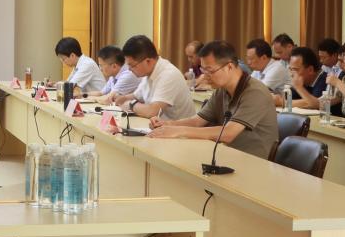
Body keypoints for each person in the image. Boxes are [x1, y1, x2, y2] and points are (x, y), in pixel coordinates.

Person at [150, 40, 278, 159]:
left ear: (229, 67)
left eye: (209, 70)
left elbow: (228, 133)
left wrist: (179, 131)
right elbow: (197, 121)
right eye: (203, 70)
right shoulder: (222, 90)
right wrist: (167, 124)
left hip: (254, 161)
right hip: (227, 154)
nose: (205, 76)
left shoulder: (255, 92)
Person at [113, 35, 196, 120]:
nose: (129, 69)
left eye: (132, 65)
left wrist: (131, 104)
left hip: (180, 127)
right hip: (161, 125)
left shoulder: (168, 74)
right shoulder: (148, 73)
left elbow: (152, 112)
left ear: (148, 61)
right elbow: (137, 96)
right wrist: (123, 98)